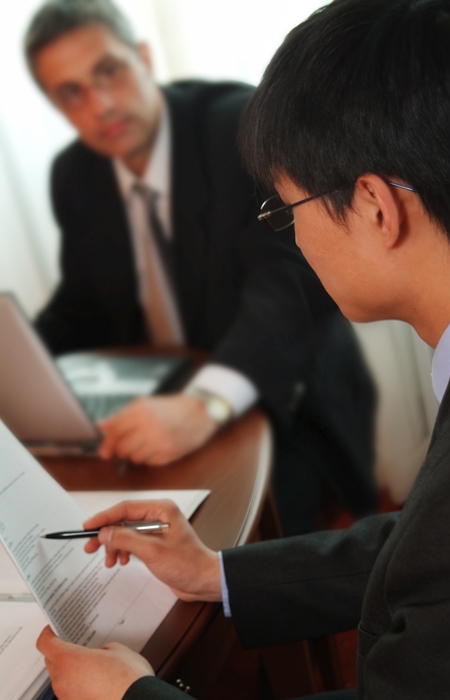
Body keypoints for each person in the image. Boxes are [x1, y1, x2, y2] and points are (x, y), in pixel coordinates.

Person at [36, 0, 450, 697]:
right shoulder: (75, 176)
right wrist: (215, 571)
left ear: (374, 207)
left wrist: (130, 696)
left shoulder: (225, 125)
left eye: (285, 211)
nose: (290, 236)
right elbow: (433, 548)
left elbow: (280, 296)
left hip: (290, 405)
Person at [24, 0, 377, 535]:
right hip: (159, 397)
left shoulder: (235, 128)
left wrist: (205, 403)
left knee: (250, 567)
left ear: (143, 57)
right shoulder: (74, 174)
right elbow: (83, 303)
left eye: (109, 71)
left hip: (283, 392)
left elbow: (290, 282)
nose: (99, 105)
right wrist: (20, 364)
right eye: (72, 93)